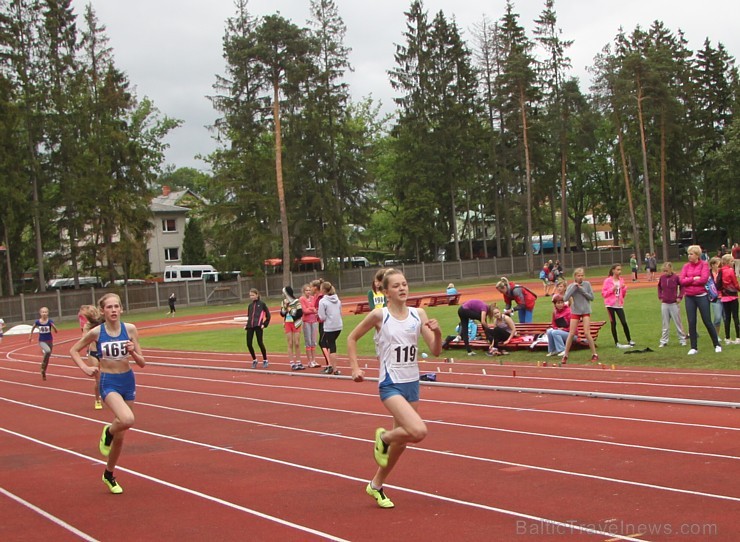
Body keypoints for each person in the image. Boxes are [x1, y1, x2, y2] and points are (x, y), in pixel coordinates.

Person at [347, 268, 442, 509]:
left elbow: (436, 350)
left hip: (412, 383)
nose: (402, 288)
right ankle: (384, 437)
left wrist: (438, 331)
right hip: (391, 384)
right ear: (386, 291)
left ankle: (376, 485)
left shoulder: (418, 314)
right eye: (397, 285)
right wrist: (355, 368)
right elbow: (352, 338)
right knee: (418, 431)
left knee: (402, 444)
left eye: (405, 284)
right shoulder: (380, 316)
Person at [69, 293, 146, 494]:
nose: (113, 310)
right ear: (103, 311)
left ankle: (109, 474)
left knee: (121, 437)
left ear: (121, 309)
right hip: (108, 381)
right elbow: (74, 350)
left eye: (116, 306)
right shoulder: (96, 332)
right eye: (109, 307)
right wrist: (85, 368)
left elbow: (142, 363)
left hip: (127, 380)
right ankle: (107, 431)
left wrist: (133, 352)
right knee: (127, 419)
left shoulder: (130, 329)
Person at [678, 245, 722, 355]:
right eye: (688, 254)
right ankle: (694, 347)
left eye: (691, 254)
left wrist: (691, 280)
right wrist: (693, 278)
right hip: (689, 297)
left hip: (702, 296)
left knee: (707, 320)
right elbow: (682, 281)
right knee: (691, 322)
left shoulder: (704, 265)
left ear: (697, 255)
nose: (689, 256)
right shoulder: (686, 266)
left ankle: (716, 344)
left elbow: (703, 279)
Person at [561, 268, 598, 364]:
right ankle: (565, 355)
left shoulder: (587, 284)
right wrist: (574, 287)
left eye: (582, 275)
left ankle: (594, 354)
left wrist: (582, 290)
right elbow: (565, 298)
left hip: (585, 310)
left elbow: (592, 298)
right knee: (571, 333)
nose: (580, 277)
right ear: (575, 277)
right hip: (575, 311)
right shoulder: (571, 286)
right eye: (578, 276)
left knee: (586, 332)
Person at [601, 264, 635, 349]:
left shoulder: (621, 280)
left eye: (620, 270)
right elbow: (604, 294)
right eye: (618, 270)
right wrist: (612, 289)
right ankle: (616, 342)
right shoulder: (607, 281)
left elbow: (622, 295)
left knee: (624, 322)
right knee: (613, 323)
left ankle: (629, 340)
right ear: (613, 270)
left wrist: (623, 289)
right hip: (610, 305)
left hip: (619, 304)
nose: (619, 272)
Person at [78, 305, 104, 409]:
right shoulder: (87, 326)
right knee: (98, 379)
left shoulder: (103, 322)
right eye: (91, 312)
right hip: (93, 353)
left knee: (109, 375)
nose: (93, 314)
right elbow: (84, 339)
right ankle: (97, 400)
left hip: (104, 352)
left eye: (94, 312)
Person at [657, 262, 687, 348]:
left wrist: (680, 297)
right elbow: (659, 287)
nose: (665, 272)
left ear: (671, 269)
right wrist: (660, 296)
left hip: (674, 303)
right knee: (665, 323)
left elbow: (682, 287)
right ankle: (664, 340)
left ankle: (682, 339)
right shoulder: (662, 278)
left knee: (678, 322)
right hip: (665, 303)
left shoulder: (676, 277)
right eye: (664, 271)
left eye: (666, 270)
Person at [318, 281, 343, 374]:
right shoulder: (338, 300)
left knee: (329, 345)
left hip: (329, 326)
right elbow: (340, 312)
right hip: (339, 325)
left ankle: (334, 368)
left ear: (323, 290)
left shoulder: (323, 301)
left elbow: (322, 317)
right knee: (330, 345)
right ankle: (330, 366)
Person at [29, 306, 58, 380]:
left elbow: (56, 331)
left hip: (50, 341)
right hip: (42, 341)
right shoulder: (38, 322)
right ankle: (42, 365)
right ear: (40, 313)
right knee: (47, 351)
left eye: (45, 312)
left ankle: (43, 371)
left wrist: (54, 327)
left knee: (48, 357)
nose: (44, 313)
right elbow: (32, 328)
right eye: (43, 312)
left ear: (48, 313)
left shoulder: (50, 321)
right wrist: (30, 336)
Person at [245, 288, 271, 368]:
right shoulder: (250, 305)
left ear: (257, 295)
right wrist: (247, 325)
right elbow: (249, 316)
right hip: (250, 326)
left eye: (253, 295)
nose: (251, 297)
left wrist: (264, 324)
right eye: (250, 295)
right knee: (249, 343)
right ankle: (254, 360)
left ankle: (265, 359)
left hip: (258, 326)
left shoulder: (262, 304)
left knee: (260, 343)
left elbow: (268, 315)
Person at [280, 286, 304, 370]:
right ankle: (292, 362)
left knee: (297, 343)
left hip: (296, 323)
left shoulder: (296, 301)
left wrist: (290, 310)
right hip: (287, 323)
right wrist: (285, 307)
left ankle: (299, 361)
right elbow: (282, 313)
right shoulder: (284, 302)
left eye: (284, 292)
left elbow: (300, 313)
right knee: (290, 343)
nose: (283, 294)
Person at [719, 253, 740, 345]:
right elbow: (735, 283)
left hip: (724, 297)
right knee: (735, 317)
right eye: (731, 261)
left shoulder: (720, 271)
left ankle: (727, 338)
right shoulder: (730, 270)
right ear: (727, 262)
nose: (733, 262)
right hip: (733, 296)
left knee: (726, 318)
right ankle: (738, 337)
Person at [299, 284, 321, 368]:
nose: (308, 292)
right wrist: (312, 309)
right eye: (306, 290)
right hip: (306, 322)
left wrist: (311, 309)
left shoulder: (313, 298)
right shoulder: (302, 299)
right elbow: (304, 310)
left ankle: (314, 360)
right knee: (308, 341)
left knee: (314, 341)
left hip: (314, 321)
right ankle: (309, 361)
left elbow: (316, 309)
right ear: (303, 291)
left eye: (309, 290)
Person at [708, 257, 724, 338]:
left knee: (726, 317)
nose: (719, 266)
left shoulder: (722, 272)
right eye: (718, 264)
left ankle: (727, 336)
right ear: (712, 265)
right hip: (715, 298)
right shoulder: (709, 274)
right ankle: (716, 335)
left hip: (724, 296)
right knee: (717, 318)